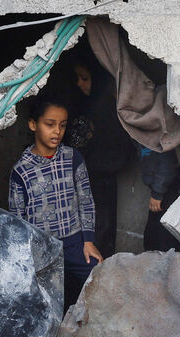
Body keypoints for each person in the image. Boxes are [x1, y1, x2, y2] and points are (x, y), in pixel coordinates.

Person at [9, 96, 103, 310]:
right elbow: (17, 219)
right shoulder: (21, 170)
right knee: (46, 304)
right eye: (50, 124)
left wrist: (88, 241)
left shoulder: (73, 157)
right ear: (33, 124)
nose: (57, 131)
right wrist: (27, 257)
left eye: (62, 125)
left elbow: (86, 201)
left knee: (100, 280)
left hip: (76, 243)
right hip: (42, 249)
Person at [68, 55, 133, 258]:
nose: (79, 84)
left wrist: (90, 165)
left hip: (100, 184)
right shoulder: (82, 106)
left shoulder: (110, 112)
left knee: (100, 234)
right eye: (77, 78)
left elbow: (121, 154)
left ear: (97, 79)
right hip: (83, 183)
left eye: (85, 78)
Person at [139, 145, 180, 253]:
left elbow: (168, 164)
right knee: (154, 237)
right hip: (161, 188)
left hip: (168, 189)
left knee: (161, 239)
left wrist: (157, 192)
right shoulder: (144, 138)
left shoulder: (158, 139)